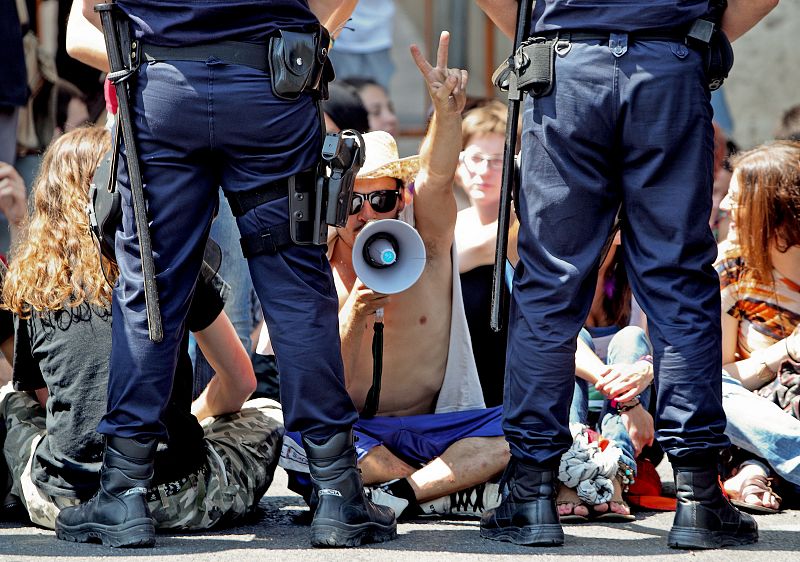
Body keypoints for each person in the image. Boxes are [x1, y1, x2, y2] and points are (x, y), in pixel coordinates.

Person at [57, 0, 395, 549]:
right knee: (294, 288)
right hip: (271, 85)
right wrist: (313, 39)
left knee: (151, 288)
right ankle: (337, 492)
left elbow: (84, 19)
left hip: (163, 87)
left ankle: (123, 492)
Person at [476, 0, 779, 550]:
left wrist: (555, 35)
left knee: (549, 280)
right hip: (669, 63)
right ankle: (698, 498)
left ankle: (531, 494)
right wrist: (690, 41)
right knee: (678, 279)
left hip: (566, 65)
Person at [268, 32, 509, 519]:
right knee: (298, 441)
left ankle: (401, 496)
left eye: (381, 200)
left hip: (436, 430)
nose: (368, 216)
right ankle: (441, 488)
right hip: (357, 439)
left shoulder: (430, 241)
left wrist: (447, 113)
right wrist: (354, 310)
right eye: (353, 202)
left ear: (402, 197)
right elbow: (318, 388)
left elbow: (438, 177)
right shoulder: (315, 261)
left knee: (520, 430)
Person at [0, 125, 284, 534]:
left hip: (62, 500)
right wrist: (198, 417)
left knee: (12, 398)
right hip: (177, 496)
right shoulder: (170, 264)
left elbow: (52, 402)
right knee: (266, 412)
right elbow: (240, 381)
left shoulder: (31, 283)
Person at [714, 140, 800, 513]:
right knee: (697, 383)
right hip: (750, 414)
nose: (722, 206)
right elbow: (719, 378)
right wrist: (786, 350)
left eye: (737, 199)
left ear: (774, 212)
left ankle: (756, 471)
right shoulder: (730, 269)